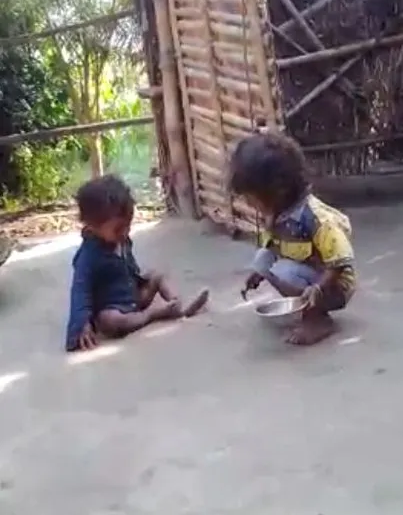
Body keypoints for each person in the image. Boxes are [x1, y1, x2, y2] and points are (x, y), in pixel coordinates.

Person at [230, 130, 356, 346]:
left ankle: (319, 319)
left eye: (251, 198)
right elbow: (271, 248)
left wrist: (318, 288)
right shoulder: (277, 214)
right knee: (263, 258)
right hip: (305, 272)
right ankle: (306, 306)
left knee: (283, 271)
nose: (250, 204)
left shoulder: (316, 218)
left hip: (333, 285)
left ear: (278, 190)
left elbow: (341, 262)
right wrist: (257, 274)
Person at [65, 174, 208, 351]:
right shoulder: (87, 257)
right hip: (112, 307)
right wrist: (81, 324)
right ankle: (153, 314)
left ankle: (177, 304)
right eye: (118, 229)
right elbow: (80, 291)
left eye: (128, 225)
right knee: (110, 320)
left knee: (157, 274)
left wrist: (142, 283)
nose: (125, 232)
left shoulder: (122, 240)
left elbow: (131, 268)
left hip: (133, 295)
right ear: (93, 227)